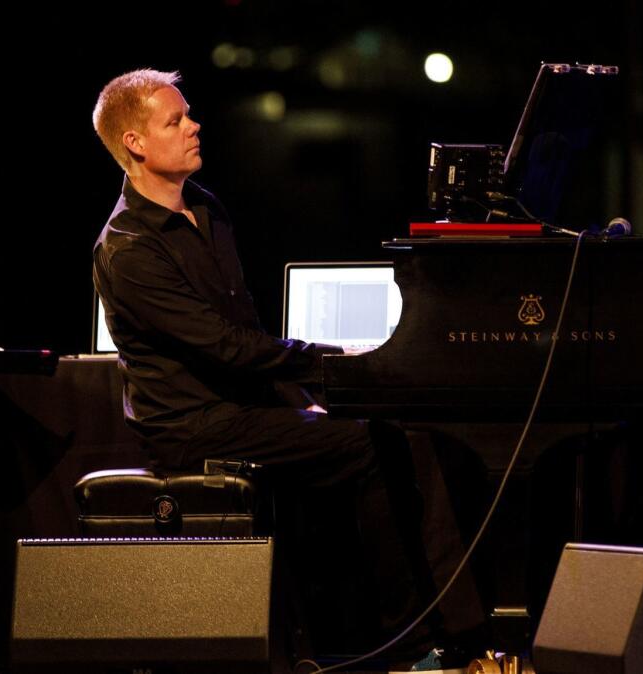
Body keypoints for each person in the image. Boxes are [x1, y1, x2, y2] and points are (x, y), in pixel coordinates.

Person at [90, 68, 483, 667]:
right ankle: (411, 643)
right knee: (369, 446)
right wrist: (328, 357)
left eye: (189, 114)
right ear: (136, 144)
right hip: (194, 425)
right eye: (175, 121)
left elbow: (243, 329)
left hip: (243, 408)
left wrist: (303, 398)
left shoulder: (206, 207)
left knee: (399, 434)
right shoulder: (129, 248)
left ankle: (379, 636)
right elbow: (223, 347)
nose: (194, 126)